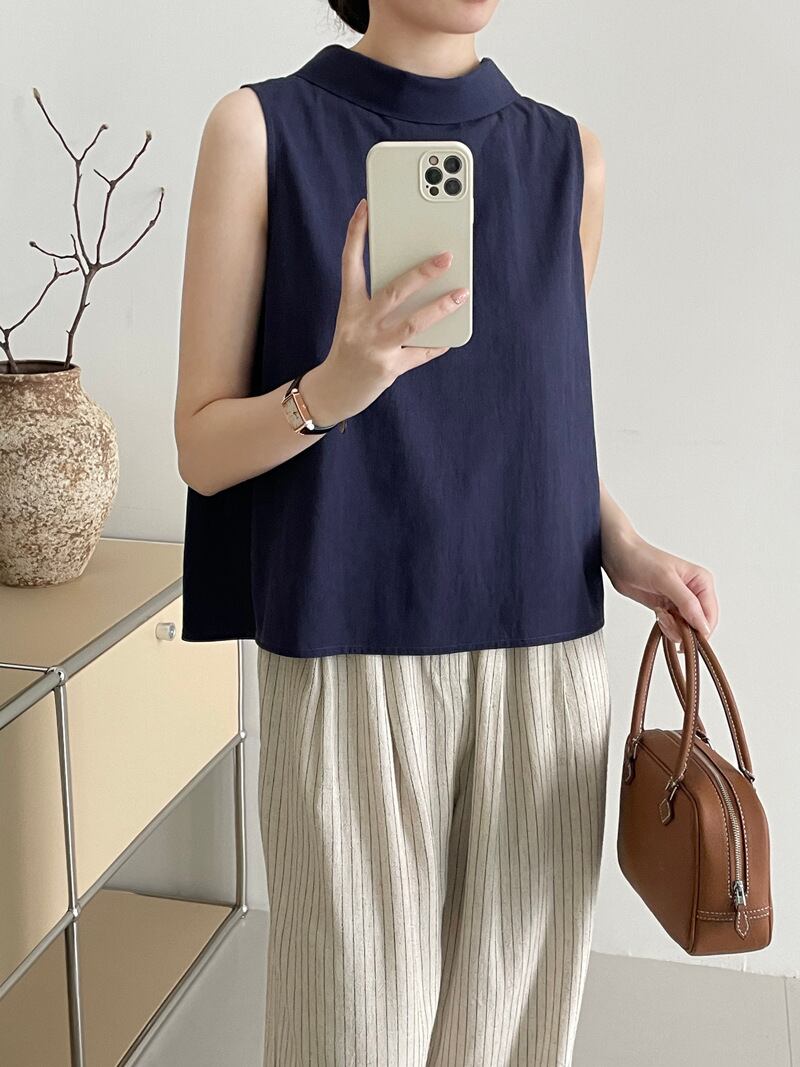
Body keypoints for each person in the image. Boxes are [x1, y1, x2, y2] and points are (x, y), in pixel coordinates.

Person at [174, 2, 719, 1063]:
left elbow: (535, 421)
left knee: (512, 1040)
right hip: (348, 651)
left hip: (543, 660)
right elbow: (202, 449)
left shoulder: (570, 158)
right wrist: (334, 387)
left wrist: (624, 545)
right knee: (350, 1036)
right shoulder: (257, 130)